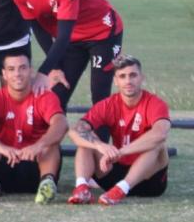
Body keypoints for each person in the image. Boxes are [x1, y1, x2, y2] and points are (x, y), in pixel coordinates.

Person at [10, 0, 124, 108]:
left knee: (100, 95)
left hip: (103, 33)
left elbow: (62, 37)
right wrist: (54, 67)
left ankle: (101, 134)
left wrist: (43, 73)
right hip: (73, 38)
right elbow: (38, 28)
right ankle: (54, 133)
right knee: (56, 95)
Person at [67, 55, 170, 205]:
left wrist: (120, 152)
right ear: (116, 81)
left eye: (133, 75)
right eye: (122, 76)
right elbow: (75, 131)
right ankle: (82, 189)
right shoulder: (108, 104)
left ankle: (121, 189)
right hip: (115, 174)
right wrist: (99, 145)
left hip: (149, 180)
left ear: (142, 78)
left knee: (157, 144)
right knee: (86, 140)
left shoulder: (155, 103)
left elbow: (160, 134)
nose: (128, 81)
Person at [0, 53, 67, 203]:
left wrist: (37, 146)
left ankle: (46, 185)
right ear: (4, 74)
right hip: (4, 163)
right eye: (11, 69)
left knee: (51, 143)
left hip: (35, 165)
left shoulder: (44, 96)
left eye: (22, 68)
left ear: (31, 71)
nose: (17, 74)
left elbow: (61, 123)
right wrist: (0, 147)